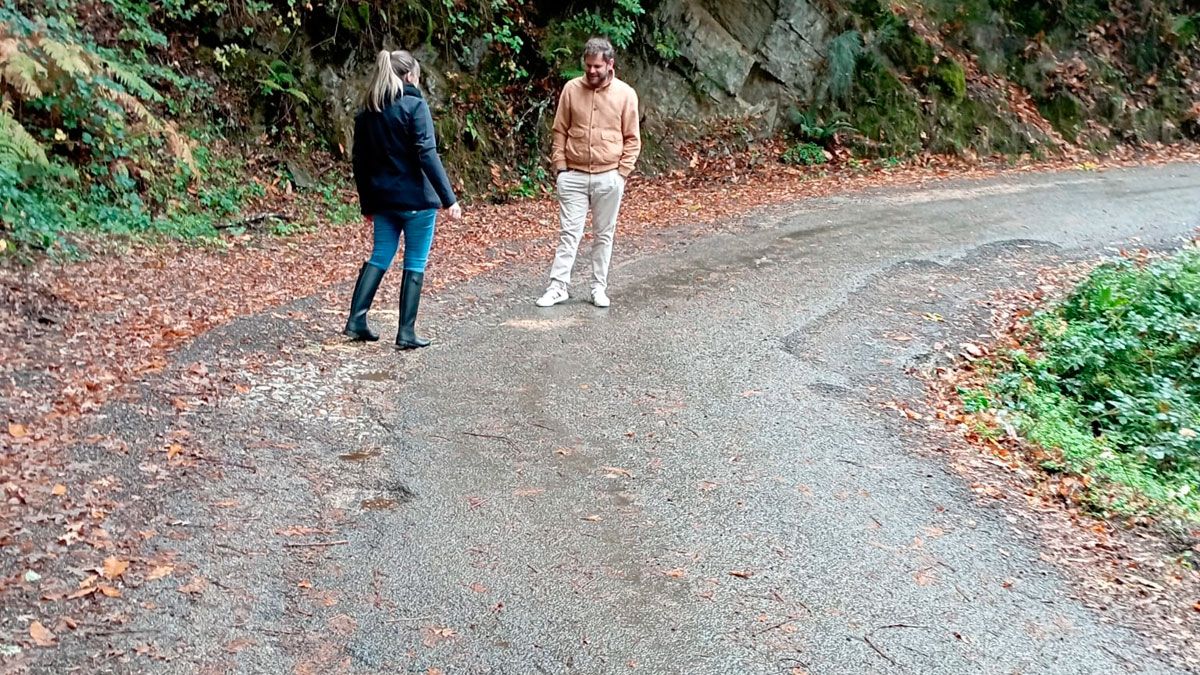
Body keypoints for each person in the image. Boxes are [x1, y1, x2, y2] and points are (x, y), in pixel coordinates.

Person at [344, 49, 462, 349]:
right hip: (418, 202)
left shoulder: (367, 112)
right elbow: (427, 153)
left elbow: (359, 162)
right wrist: (449, 200)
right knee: (415, 261)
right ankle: (406, 332)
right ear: (410, 76)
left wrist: (367, 204)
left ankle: (356, 320)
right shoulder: (414, 106)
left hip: (383, 201)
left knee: (381, 254)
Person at [535, 37, 641, 308]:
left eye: (597, 66)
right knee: (569, 233)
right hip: (574, 175)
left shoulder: (625, 94)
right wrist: (560, 168)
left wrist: (622, 173)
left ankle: (598, 287)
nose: (592, 71)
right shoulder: (571, 89)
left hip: (609, 176)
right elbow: (559, 130)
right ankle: (558, 287)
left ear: (610, 64)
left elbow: (632, 138)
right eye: (588, 65)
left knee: (604, 234)